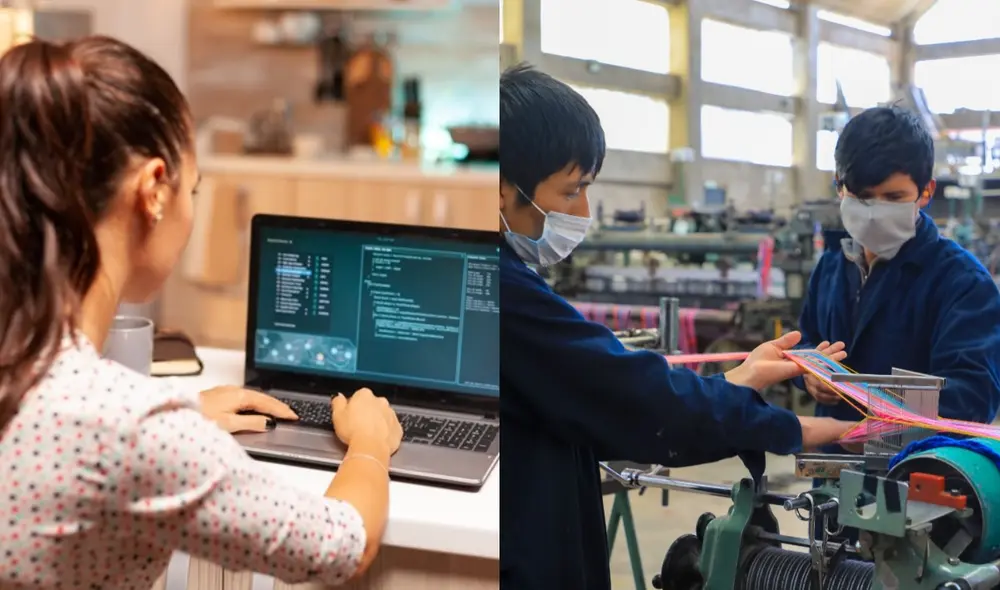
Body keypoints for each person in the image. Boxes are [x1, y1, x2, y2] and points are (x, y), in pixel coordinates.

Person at [0, 37, 402, 589]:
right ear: (154, 192)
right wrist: (371, 444)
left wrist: (180, 411)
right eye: (192, 188)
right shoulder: (133, 431)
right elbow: (342, 546)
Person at [499, 63, 856, 590]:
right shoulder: (504, 290)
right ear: (504, 190)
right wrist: (794, 429)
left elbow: (605, 390)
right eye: (573, 190)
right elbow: (630, 397)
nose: (585, 209)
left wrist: (737, 382)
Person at [797, 105, 1000, 447]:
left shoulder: (962, 283)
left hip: (917, 475)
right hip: (831, 470)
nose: (875, 213)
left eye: (893, 198)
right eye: (862, 197)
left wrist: (872, 408)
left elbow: (973, 398)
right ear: (839, 187)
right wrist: (809, 375)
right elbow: (804, 342)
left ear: (926, 192)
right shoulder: (831, 266)